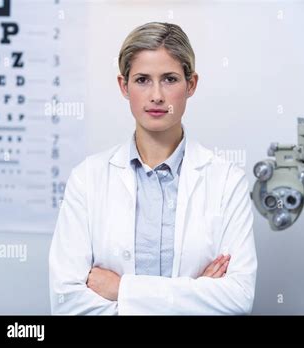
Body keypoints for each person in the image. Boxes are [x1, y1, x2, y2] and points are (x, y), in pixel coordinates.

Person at [48, 22, 257, 315]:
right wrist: (194, 297)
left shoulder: (226, 181)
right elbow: (66, 302)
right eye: (143, 80)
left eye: (170, 79)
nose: (156, 95)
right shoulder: (88, 178)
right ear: (124, 86)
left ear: (191, 85)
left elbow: (237, 298)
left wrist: (122, 290)